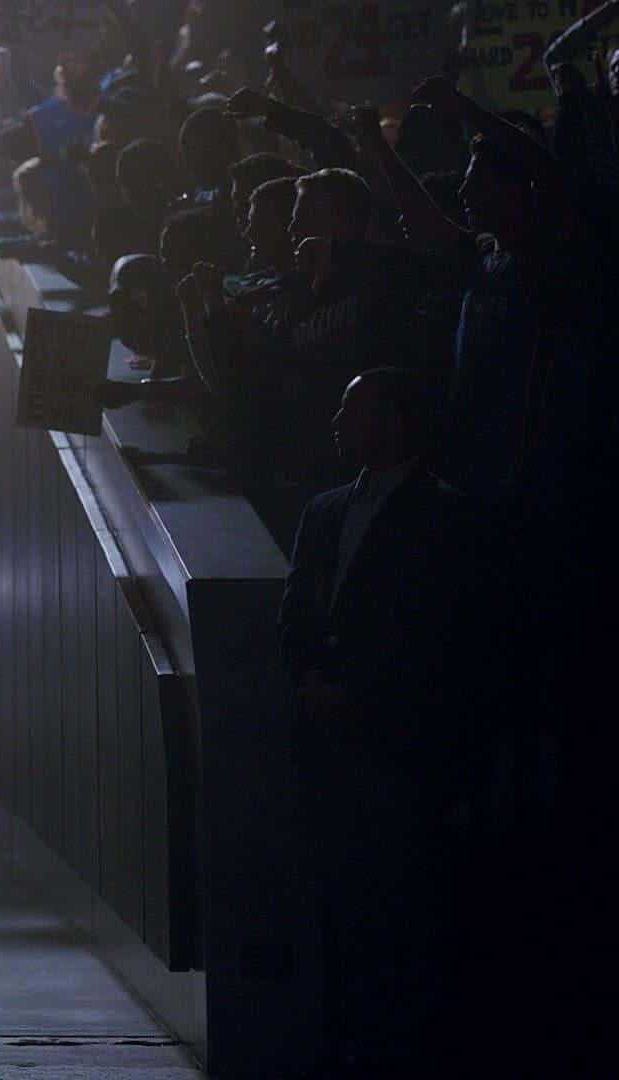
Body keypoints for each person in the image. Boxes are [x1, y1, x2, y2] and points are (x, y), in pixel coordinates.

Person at [277, 367, 482, 1074]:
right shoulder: (325, 511)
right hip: (330, 739)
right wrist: (310, 681)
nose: (336, 420)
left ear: (391, 420)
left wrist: (352, 693)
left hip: (397, 743)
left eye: (351, 407)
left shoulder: (446, 517)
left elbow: (435, 635)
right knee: (338, 896)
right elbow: (297, 611)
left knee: (404, 902)